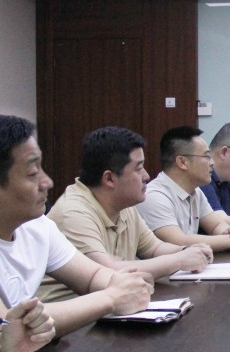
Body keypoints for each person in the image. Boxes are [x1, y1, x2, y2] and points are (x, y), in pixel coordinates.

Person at [0, 115, 152, 352]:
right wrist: (111, 298)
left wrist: (124, 286)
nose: (48, 182)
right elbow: (0, 331)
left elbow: (92, 276)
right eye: (33, 173)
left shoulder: (36, 224)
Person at [42, 126, 212, 303]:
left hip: (115, 308)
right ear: (109, 179)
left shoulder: (124, 204)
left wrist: (188, 251)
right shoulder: (73, 212)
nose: (146, 176)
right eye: (138, 168)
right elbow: (108, 271)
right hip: (71, 315)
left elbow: (154, 249)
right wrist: (179, 260)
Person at [137, 126, 230, 252]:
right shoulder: (155, 196)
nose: (212, 163)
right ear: (182, 162)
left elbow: (216, 225)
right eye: (207, 157)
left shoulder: (196, 192)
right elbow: (178, 241)